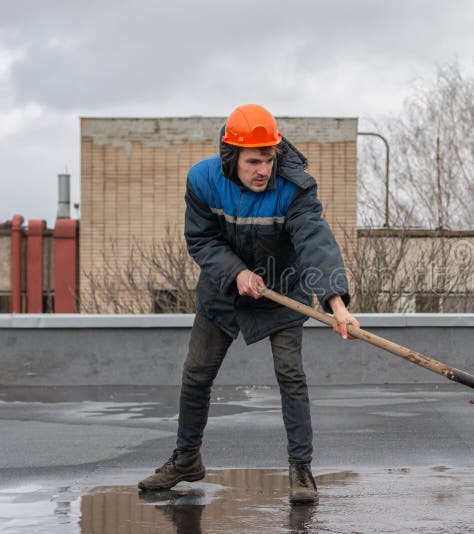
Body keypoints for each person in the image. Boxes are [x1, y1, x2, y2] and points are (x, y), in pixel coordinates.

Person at [138, 104, 359, 503]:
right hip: (223, 289)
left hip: (282, 290)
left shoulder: (294, 188)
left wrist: (336, 303)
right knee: (196, 374)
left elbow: (315, 242)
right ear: (231, 157)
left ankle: (301, 470)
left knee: (291, 376)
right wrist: (236, 271)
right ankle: (186, 458)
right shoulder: (203, 181)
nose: (263, 170)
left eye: (269, 160)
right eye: (253, 160)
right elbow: (201, 240)